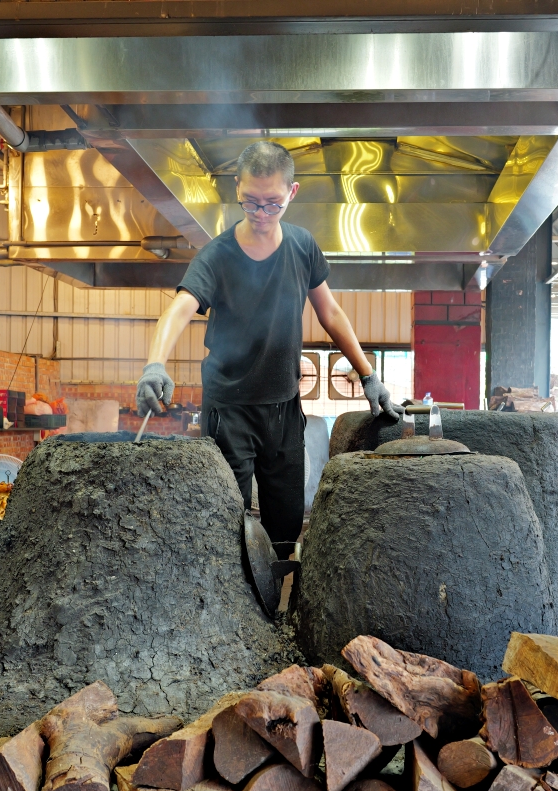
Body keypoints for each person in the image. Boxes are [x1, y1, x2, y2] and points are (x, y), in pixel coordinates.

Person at [138, 141, 402, 556]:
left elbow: (330, 312)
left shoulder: (301, 247)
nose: (261, 215)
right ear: (237, 188)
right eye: (251, 203)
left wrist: (368, 375)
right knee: (229, 516)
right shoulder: (217, 256)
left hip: (283, 407)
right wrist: (155, 364)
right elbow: (179, 309)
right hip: (230, 410)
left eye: (272, 204)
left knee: (286, 519)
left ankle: (277, 612)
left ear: (291, 194)